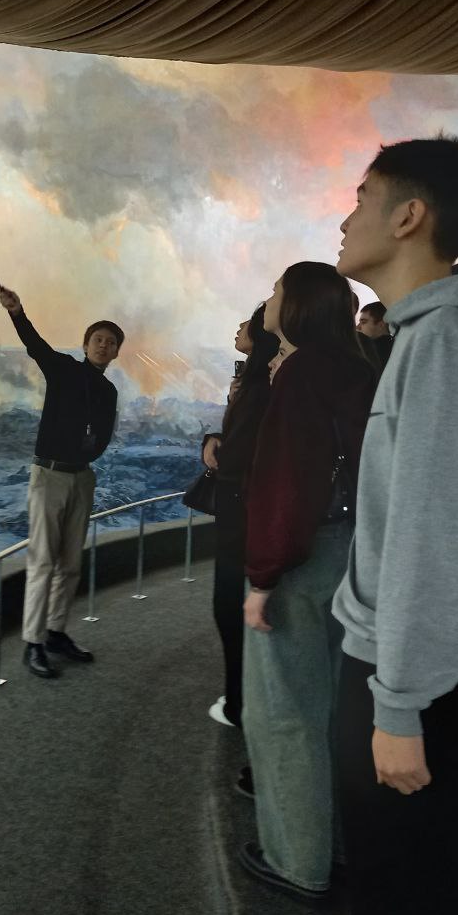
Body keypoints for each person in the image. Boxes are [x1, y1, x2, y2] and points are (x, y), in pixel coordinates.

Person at [331, 135, 458, 915]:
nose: (345, 219)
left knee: (409, 878)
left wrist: (398, 706)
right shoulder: (438, 334)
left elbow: (434, 539)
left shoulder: (447, 343)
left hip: (418, 671)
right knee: (430, 863)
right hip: (424, 661)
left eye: (360, 198)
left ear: (408, 217)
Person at [233, 261, 375, 901]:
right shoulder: (357, 365)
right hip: (352, 555)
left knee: (284, 714)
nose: (268, 299)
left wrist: (264, 578)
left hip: (302, 559)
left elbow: (289, 482)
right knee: (333, 713)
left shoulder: (301, 372)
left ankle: (298, 861)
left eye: (276, 290)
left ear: (298, 306)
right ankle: (333, 843)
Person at [0, 278, 121, 679]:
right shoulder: (64, 369)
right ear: (85, 345)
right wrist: (17, 312)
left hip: (82, 478)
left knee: (70, 563)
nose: (104, 346)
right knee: (43, 560)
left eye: (111, 342)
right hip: (49, 475)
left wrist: (88, 454)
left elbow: (103, 434)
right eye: (98, 340)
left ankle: (55, 632)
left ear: (117, 352)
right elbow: (36, 346)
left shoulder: (108, 391)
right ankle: (32, 643)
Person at [200, 305, 279, 727]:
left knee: (230, 604)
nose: (239, 326)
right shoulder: (258, 381)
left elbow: (245, 451)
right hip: (244, 508)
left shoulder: (260, 385)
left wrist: (219, 450)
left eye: (247, 321)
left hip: (240, 511)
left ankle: (239, 703)